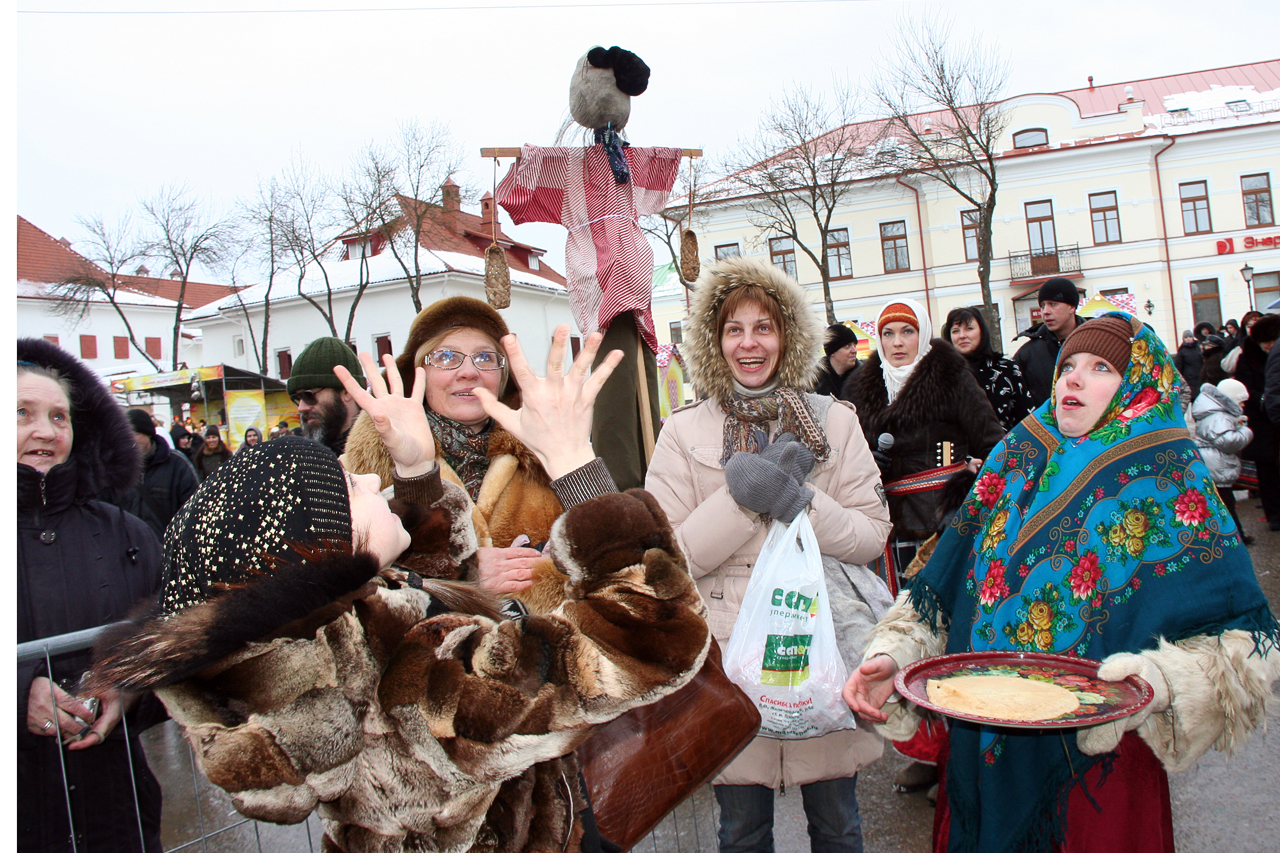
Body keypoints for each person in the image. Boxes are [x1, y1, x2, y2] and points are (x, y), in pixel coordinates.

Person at [91, 331, 710, 853]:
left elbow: (422, 594)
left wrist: (416, 469)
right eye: (346, 487)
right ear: (325, 553)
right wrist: (576, 464)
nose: (366, 478)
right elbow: (645, 642)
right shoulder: (413, 688)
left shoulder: (330, 644)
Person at [843, 313, 1280, 853]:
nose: (1073, 377)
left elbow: (1236, 641)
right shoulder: (1018, 455)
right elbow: (946, 588)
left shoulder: (1169, 472)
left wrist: (1156, 684)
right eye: (1068, 364)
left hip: (1097, 770)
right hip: (981, 741)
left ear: (1138, 383)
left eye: (1100, 368)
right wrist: (898, 654)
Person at [645, 256, 893, 853]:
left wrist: (797, 501)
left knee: (839, 827)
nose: (749, 343)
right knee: (741, 832)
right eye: (734, 329)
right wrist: (743, 500)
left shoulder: (834, 421)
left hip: (822, 651)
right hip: (732, 662)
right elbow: (667, 560)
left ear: (789, 336)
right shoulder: (682, 431)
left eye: (764, 327)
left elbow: (870, 536)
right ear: (715, 341)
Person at [18, 339, 165, 853]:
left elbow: (178, 640)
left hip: (117, 812)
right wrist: (17, 694)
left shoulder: (128, 533)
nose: (46, 431)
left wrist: (132, 688)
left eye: (59, 416)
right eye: (21, 413)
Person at [343, 296, 577, 597]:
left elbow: (613, 563)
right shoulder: (358, 479)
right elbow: (351, 587)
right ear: (419, 373)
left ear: (503, 376)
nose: (469, 372)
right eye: (446, 357)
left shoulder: (546, 457)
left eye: (485, 358)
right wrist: (459, 571)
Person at [841, 299, 1006, 592]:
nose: (897, 342)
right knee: (896, 612)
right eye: (888, 333)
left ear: (924, 334)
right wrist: (867, 464)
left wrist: (966, 499)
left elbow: (996, 449)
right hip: (884, 525)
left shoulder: (951, 376)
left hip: (944, 520)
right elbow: (841, 456)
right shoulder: (858, 388)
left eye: (908, 331)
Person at [110, 407, 200, 542]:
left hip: (167, 547)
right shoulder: (117, 468)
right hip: (131, 549)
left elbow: (195, 510)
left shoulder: (177, 464)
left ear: (149, 434)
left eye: (134, 433)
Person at [943, 306, 1035, 432]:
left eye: (969, 328)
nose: (962, 335)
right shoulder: (943, 373)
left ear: (982, 331)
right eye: (955, 331)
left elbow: (1026, 417)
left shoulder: (1007, 369)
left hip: (1004, 443)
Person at [1192, 378, 1254, 545]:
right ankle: (1235, 537)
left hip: (1213, 463)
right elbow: (1226, 441)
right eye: (1241, 401)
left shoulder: (1214, 413)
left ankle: (1235, 535)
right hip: (1217, 465)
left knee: (1223, 502)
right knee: (1226, 503)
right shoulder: (1219, 416)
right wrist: (1245, 431)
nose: (1243, 405)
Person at [1233, 314, 1280, 530]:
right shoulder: (1247, 357)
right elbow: (1244, 387)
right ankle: (1274, 515)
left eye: (1271, 342)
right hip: (1262, 421)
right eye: (1264, 343)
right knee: (1267, 470)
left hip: (1275, 415)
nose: (1268, 346)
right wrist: (1263, 399)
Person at [287, 336, 365, 454]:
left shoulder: (386, 450)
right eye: (297, 398)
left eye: (308, 395)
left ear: (347, 391)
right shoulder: (301, 457)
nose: (301, 408)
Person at [1012, 278, 1082, 407]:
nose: (1045, 311)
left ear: (1072, 307)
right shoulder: (1027, 354)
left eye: (1053, 304)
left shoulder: (1097, 343)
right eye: (1042, 306)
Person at [814, 322, 860, 397]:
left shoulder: (866, 379)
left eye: (854, 345)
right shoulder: (813, 382)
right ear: (832, 352)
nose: (854, 350)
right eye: (847, 346)